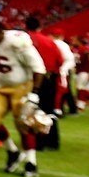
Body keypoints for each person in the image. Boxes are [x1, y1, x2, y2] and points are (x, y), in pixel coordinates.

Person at [0, 20, 46, 177]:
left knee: (24, 124)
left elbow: (39, 68)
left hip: (21, 86)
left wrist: (34, 92)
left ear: (2, 32)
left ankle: (31, 163)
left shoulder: (17, 41)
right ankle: (12, 151)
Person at [25, 17, 62, 150]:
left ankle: (38, 142)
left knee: (33, 109)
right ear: (39, 26)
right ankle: (53, 141)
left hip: (32, 79)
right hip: (49, 78)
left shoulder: (25, 40)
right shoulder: (49, 41)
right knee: (49, 110)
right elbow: (60, 60)